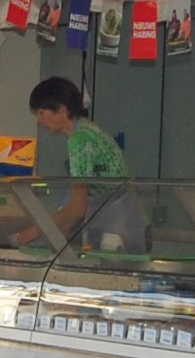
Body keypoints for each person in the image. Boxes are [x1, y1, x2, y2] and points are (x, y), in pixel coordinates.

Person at [10, 77, 146, 253]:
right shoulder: (88, 129)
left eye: (42, 113)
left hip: (117, 229)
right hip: (122, 221)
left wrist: (33, 232)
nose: (39, 121)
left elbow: (77, 207)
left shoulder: (79, 140)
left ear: (61, 110)